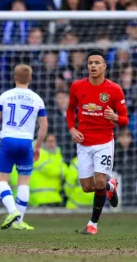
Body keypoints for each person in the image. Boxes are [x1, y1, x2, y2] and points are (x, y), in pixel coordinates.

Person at [66, 49, 128, 235]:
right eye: (90, 62)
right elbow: (70, 111)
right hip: (84, 142)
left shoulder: (114, 89)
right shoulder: (77, 86)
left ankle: (93, 224)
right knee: (87, 188)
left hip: (104, 142)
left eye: (97, 62)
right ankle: (111, 186)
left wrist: (115, 116)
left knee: (99, 181)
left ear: (104, 66)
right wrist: (72, 129)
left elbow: (125, 120)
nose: (93, 66)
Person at [0, 64, 48, 231]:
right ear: (30, 79)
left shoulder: (6, 96)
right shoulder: (37, 99)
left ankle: (12, 211)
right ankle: (19, 221)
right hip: (26, 142)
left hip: (8, 140)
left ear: (14, 78)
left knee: (1, 180)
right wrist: (37, 146)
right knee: (24, 182)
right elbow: (43, 126)